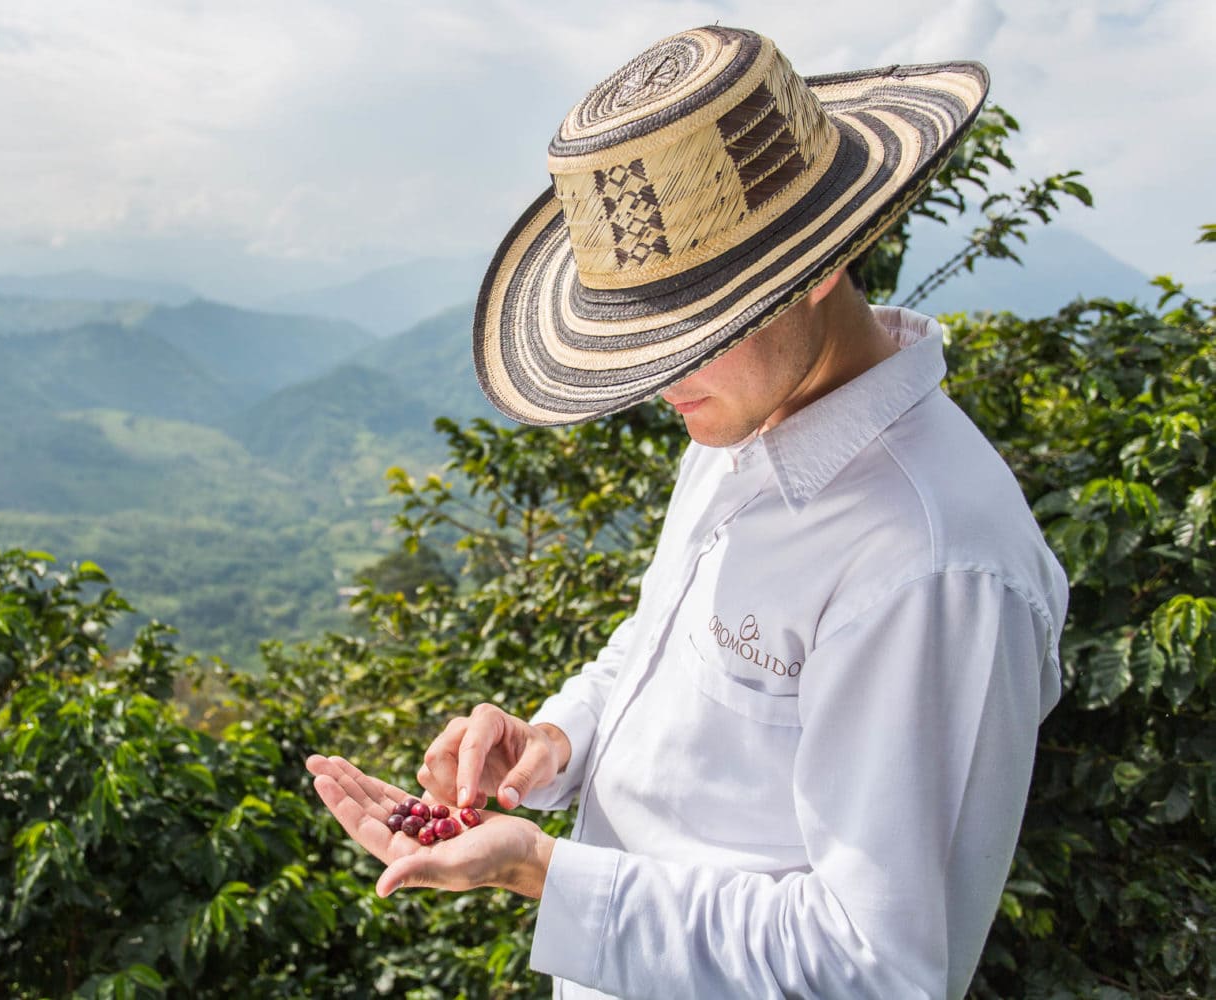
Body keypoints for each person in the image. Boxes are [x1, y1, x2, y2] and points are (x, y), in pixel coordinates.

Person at [307, 24, 1067, 1000]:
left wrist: (543, 871)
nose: (653, 379)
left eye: (687, 332)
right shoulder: (747, 420)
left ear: (814, 265)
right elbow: (663, 641)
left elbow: (876, 967)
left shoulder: (929, 562)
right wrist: (557, 740)